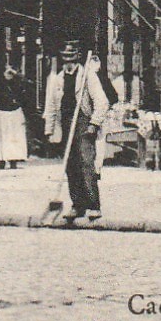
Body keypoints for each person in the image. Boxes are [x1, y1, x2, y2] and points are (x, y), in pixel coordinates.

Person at [44, 41, 110, 222]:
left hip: (83, 123)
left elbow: (102, 102)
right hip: (65, 124)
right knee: (70, 165)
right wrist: (50, 132)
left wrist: (93, 124)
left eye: (71, 57)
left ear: (77, 57)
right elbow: (50, 107)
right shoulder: (57, 79)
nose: (68, 61)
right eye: (65, 57)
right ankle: (77, 205)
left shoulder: (87, 76)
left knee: (86, 163)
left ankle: (93, 206)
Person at [0, 64, 28, 169]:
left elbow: (25, 84)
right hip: (1, 113)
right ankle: (1, 160)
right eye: (7, 71)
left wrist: (16, 74)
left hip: (14, 113)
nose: (9, 74)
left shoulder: (17, 83)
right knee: (1, 138)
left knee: (14, 138)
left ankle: (13, 160)